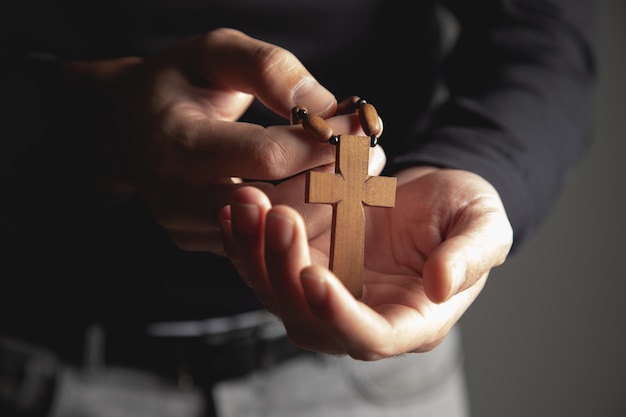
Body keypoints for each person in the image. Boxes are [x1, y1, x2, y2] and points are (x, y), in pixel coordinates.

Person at [0, 0, 596, 416]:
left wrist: (480, 165)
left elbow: (544, 36)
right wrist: (90, 123)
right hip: (41, 358)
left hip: (373, 387)